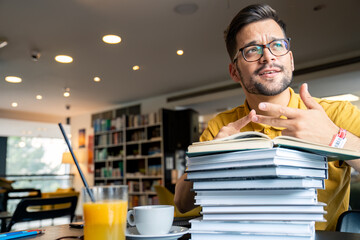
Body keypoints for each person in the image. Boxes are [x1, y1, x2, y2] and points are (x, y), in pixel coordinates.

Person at [174, 3, 360, 231]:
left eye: (277, 45)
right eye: (252, 50)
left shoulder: (337, 114)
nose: (268, 57)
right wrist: (211, 160)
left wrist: (335, 139)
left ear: (290, 59)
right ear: (234, 72)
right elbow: (181, 204)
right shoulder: (221, 126)